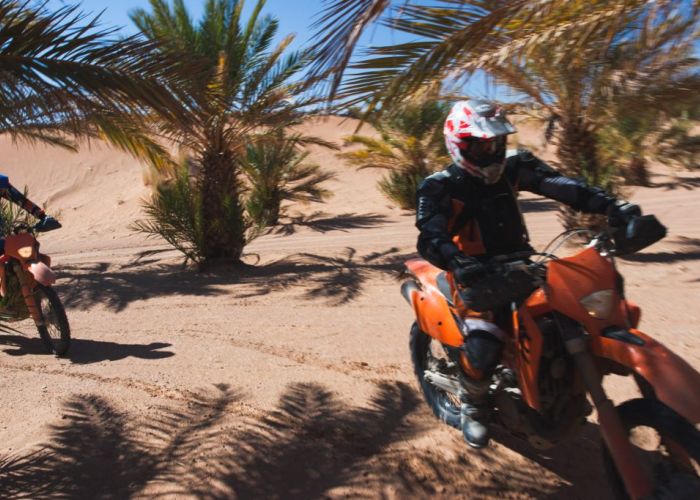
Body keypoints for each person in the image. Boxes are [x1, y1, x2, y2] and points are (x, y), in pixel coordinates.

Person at [415, 99, 640, 448]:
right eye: (482, 146)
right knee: (484, 344)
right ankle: (474, 405)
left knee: (573, 311)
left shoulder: (514, 166)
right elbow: (430, 235)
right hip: (474, 274)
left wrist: (613, 206)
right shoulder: (439, 186)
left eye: (497, 143)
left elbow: (562, 185)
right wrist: (457, 260)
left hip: (523, 263)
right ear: (459, 145)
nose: (492, 152)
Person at [0, 175, 61, 254]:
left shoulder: (3, 183)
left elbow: (22, 201)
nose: (3, 191)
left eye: (2, 190)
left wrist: (42, 216)